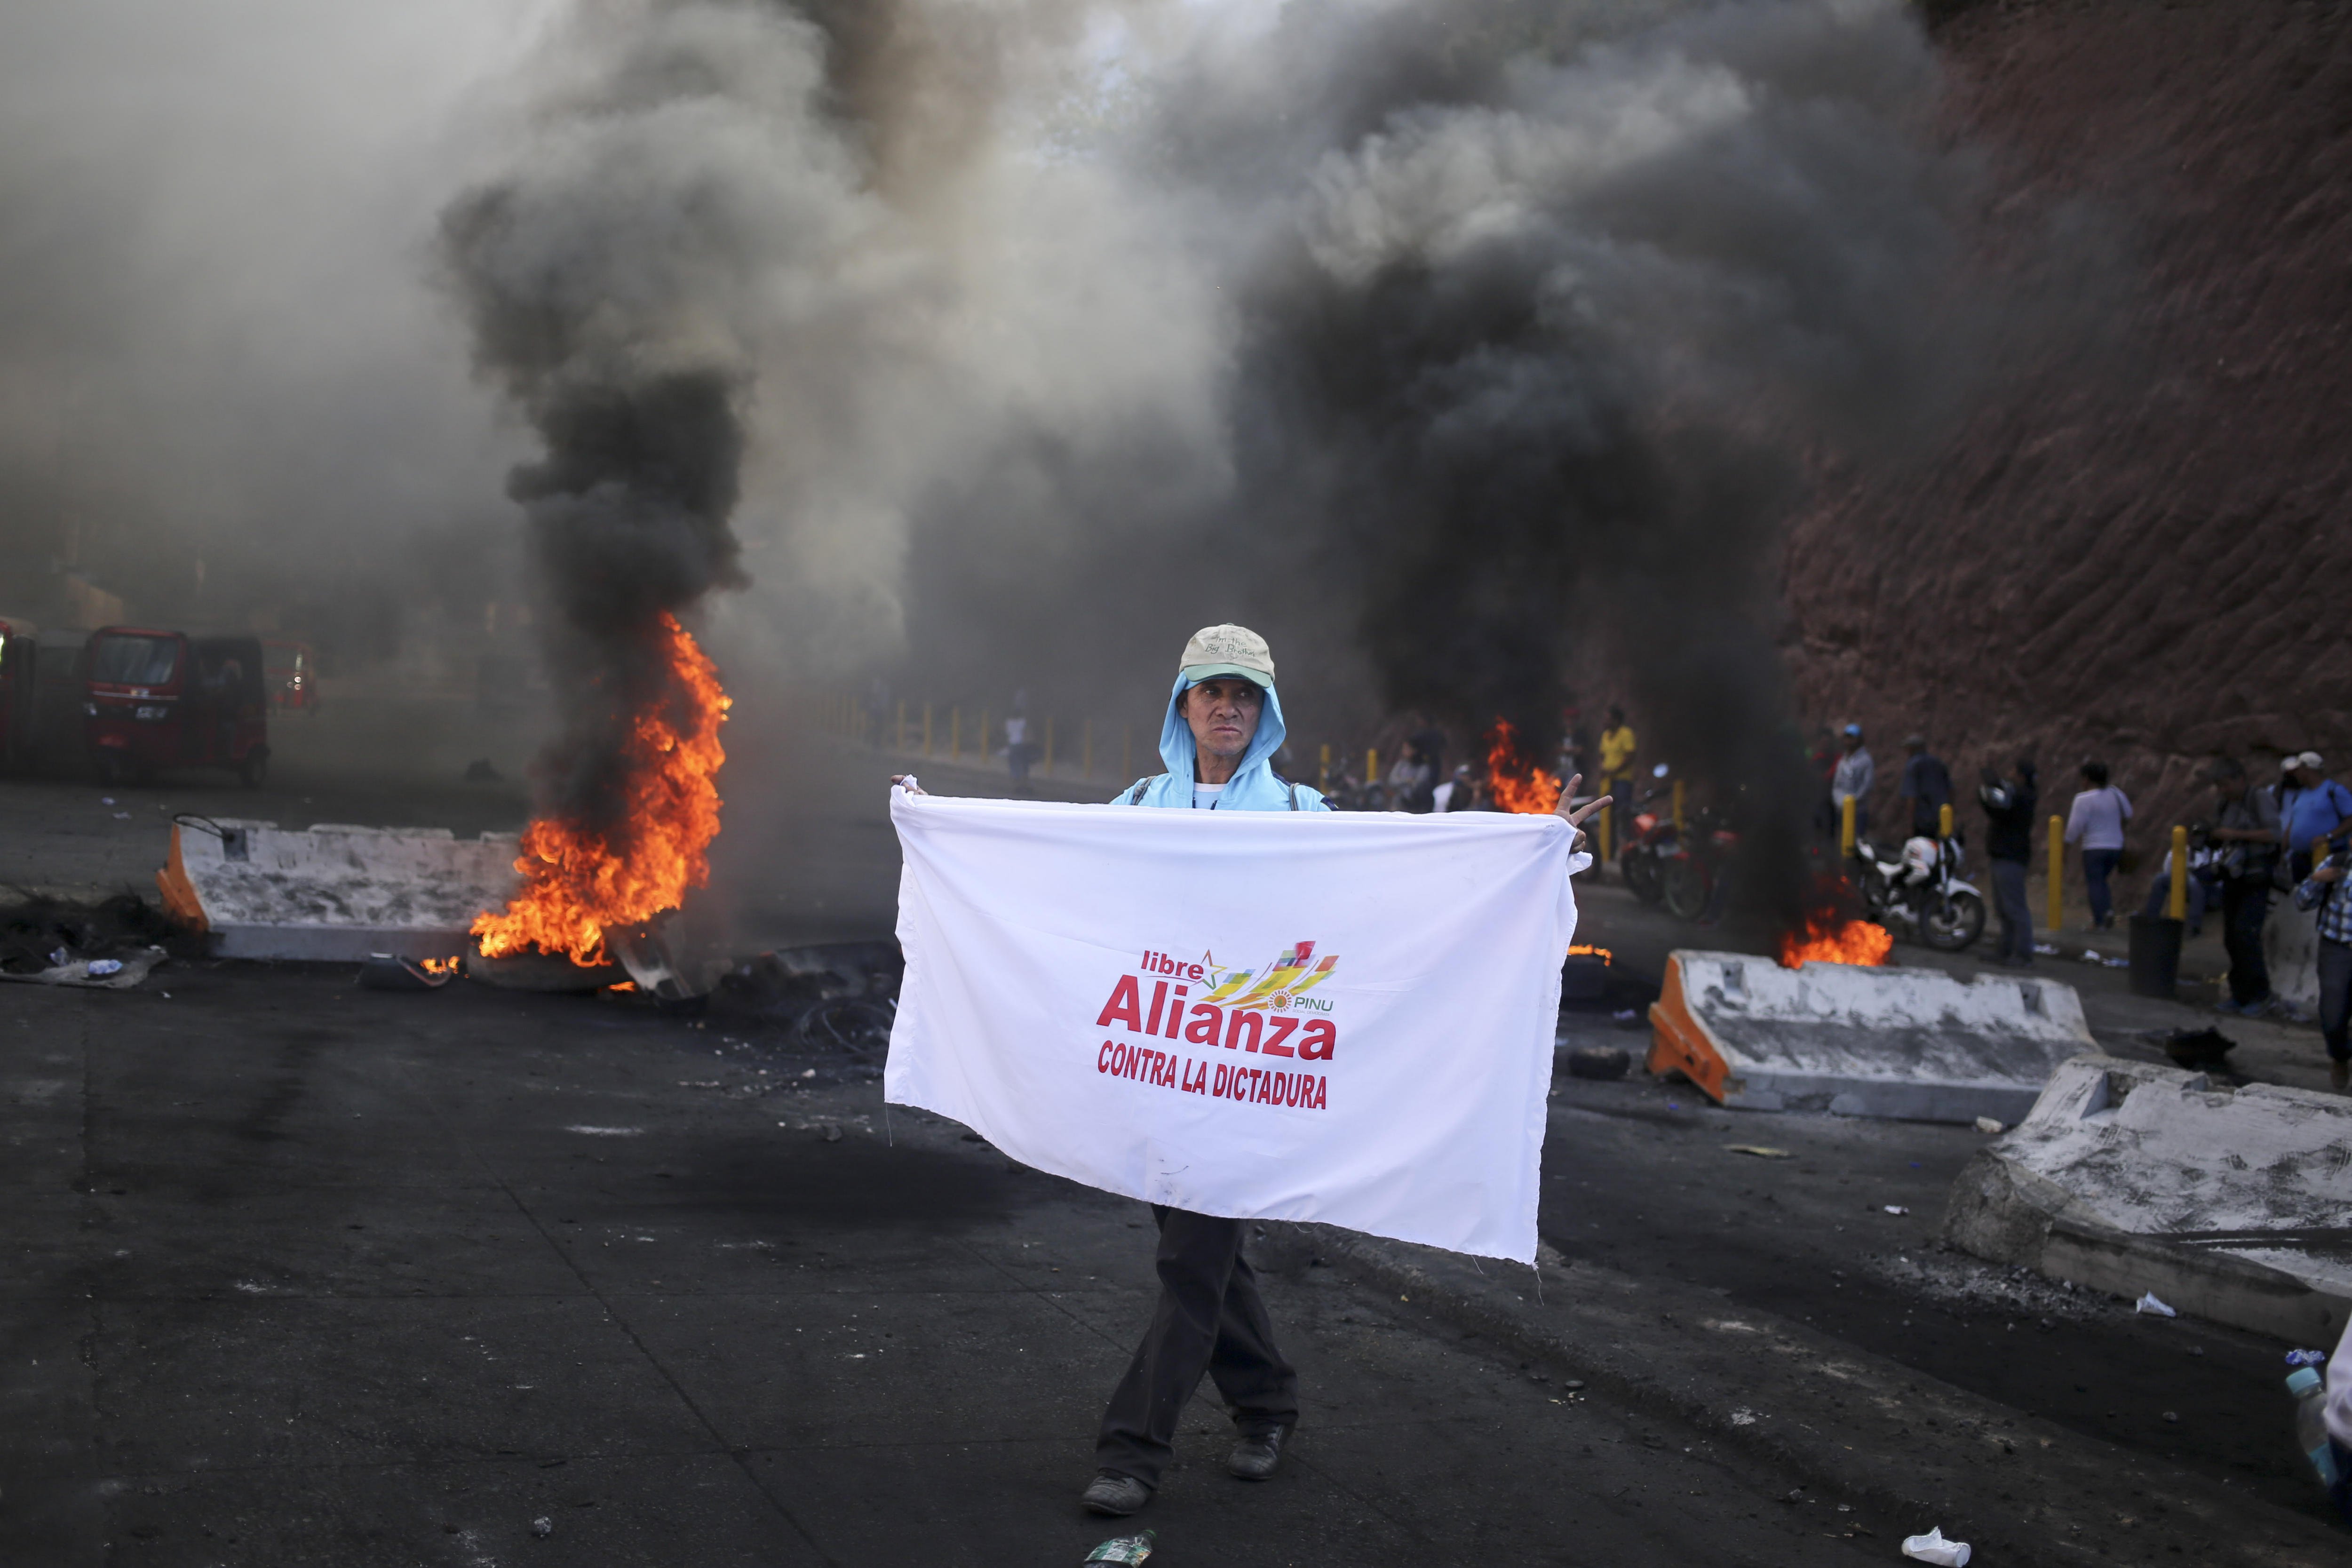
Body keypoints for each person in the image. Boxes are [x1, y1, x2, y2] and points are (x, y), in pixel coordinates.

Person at [898, 624, 1608, 1520]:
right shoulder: (1135, 807)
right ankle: (1266, 1402)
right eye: (1211, 691)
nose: (1227, 706)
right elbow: (1048, 866)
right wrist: (934, 822)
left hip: (1246, 1084)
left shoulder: (1302, 818)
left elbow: (1403, 882)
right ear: (1183, 706)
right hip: (1155, 1072)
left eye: (1245, 694)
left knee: (1194, 1261)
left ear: (1265, 712)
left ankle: (1132, 1452)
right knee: (1207, 1259)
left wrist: (1536, 847)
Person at [2203, 758, 2283, 1016]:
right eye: (2219, 786)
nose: (2223, 790)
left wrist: (2236, 835)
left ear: (2240, 779)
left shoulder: (2258, 799)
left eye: (2226, 785)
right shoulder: (2225, 804)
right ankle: (2240, 995)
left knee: (2246, 935)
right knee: (2231, 939)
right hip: (2233, 878)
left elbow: (2274, 834)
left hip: (2256, 878)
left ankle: (2261, 996)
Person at [2290, 831, 2352, 1093]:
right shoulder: (2338, 863)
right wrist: (2317, 880)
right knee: (2333, 1017)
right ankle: (2340, 1057)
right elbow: (2302, 901)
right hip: (2337, 948)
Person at [1977, 755, 2037, 966]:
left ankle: (2022, 954)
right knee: (2005, 909)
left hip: (2010, 857)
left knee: (2014, 908)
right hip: (2006, 856)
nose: (2010, 775)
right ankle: (2007, 950)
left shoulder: (2021, 796)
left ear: (2021, 776)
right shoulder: (2023, 795)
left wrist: (1990, 786)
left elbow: (2000, 808)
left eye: (2013, 772)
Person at [2063, 761, 2132, 931]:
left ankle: (2099, 921)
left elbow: (2074, 828)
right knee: (2102, 881)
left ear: (2087, 779)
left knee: (2095, 883)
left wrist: (2065, 847)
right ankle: (2107, 911)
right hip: (2116, 847)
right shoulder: (2116, 794)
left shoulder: (2083, 800)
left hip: (2094, 848)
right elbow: (2129, 814)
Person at [2279, 752, 2352, 883]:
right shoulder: (2300, 794)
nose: (2295, 775)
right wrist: (2282, 850)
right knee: (2302, 896)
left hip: (2326, 856)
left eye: (2298, 770)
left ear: (2307, 770)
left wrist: (2328, 837)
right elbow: (2293, 823)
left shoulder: (2333, 790)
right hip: (2300, 858)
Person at [1896, 734, 1951, 839]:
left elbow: (1911, 798)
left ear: (1913, 749)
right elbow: (1951, 791)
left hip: (1922, 821)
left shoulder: (1913, 765)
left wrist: (1909, 827)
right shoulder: (1938, 763)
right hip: (1942, 819)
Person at [1832, 724, 1874, 843]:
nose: (1849, 741)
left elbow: (1868, 785)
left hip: (1858, 812)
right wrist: (1840, 802)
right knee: (1842, 843)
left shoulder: (1866, 761)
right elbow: (1837, 785)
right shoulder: (1843, 761)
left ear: (1859, 739)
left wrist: (1853, 801)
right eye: (1847, 738)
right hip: (1842, 810)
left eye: (1852, 738)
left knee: (1857, 843)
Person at [1597, 706, 1637, 809]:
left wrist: (1614, 771)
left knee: (1622, 808)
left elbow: (1630, 756)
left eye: (1608, 719)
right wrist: (1602, 767)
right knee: (1607, 810)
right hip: (1607, 779)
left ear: (1616, 720)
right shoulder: (1605, 735)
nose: (1605, 722)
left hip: (1622, 779)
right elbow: (1602, 754)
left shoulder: (1626, 734)